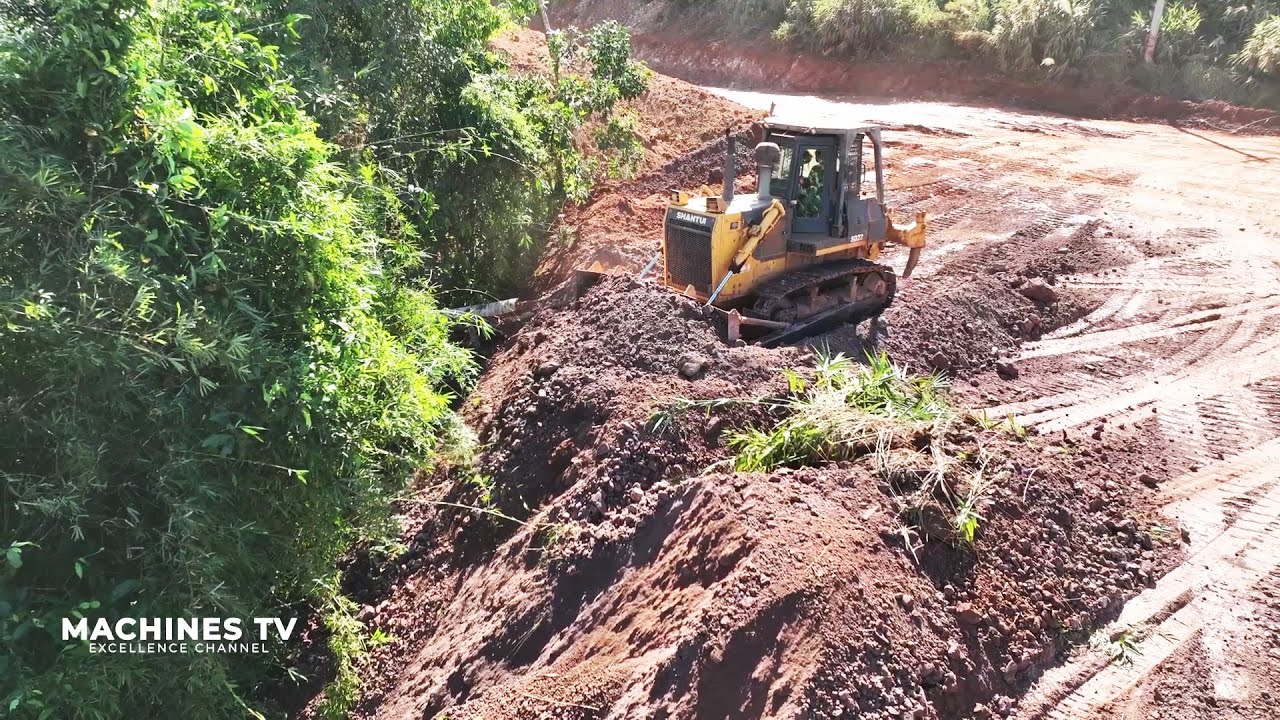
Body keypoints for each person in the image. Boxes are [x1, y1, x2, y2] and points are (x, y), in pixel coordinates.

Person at [796, 149, 824, 218]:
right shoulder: (815, 168)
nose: (817, 158)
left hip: (820, 197)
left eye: (818, 156)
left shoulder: (830, 171)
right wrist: (803, 181)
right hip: (812, 193)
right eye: (816, 155)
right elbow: (809, 182)